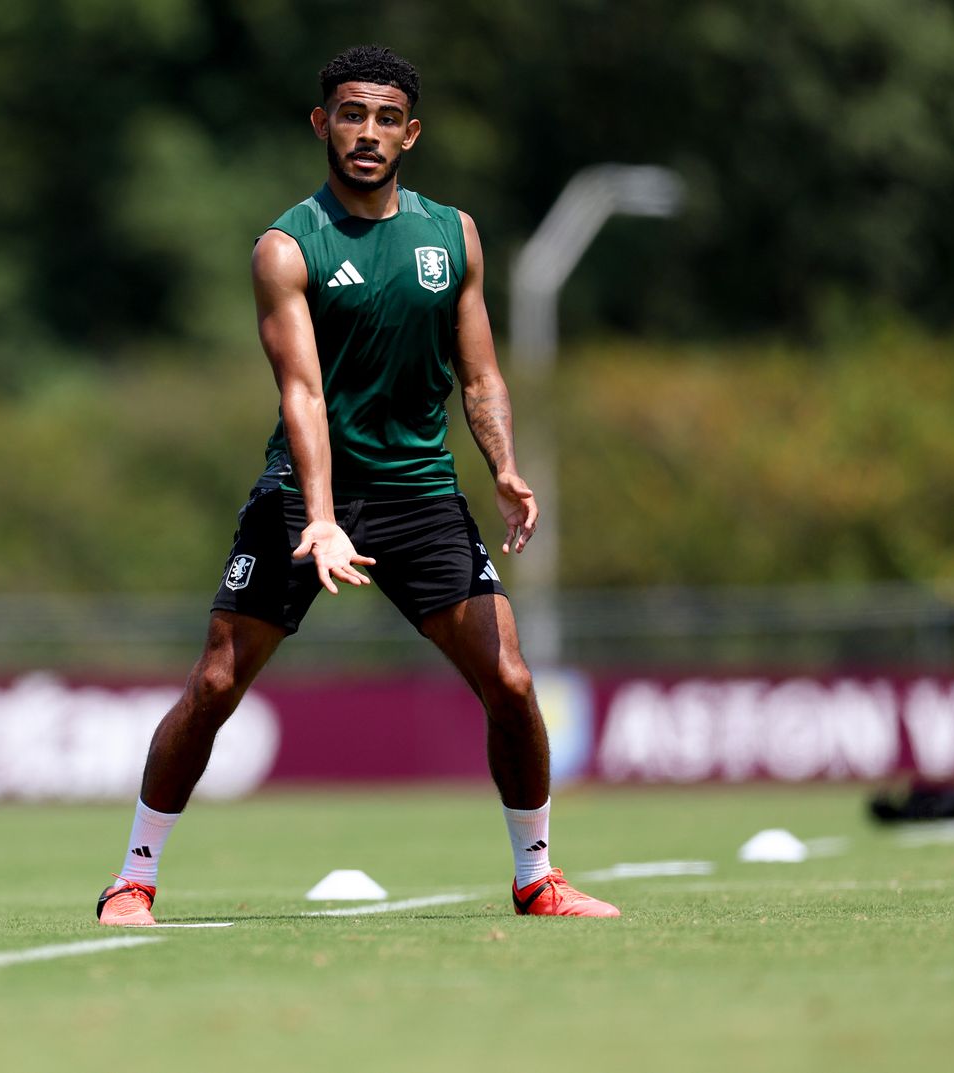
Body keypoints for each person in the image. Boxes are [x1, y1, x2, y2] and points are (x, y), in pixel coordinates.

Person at [95, 45, 618, 928]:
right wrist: (324, 517)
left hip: (421, 495)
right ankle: (133, 879)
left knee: (515, 683)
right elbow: (300, 393)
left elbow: (481, 376)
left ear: (410, 133)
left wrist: (507, 469)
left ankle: (537, 877)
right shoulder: (286, 247)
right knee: (218, 683)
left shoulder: (453, 236)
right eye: (350, 113)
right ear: (321, 123)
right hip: (303, 494)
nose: (366, 132)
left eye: (384, 117)